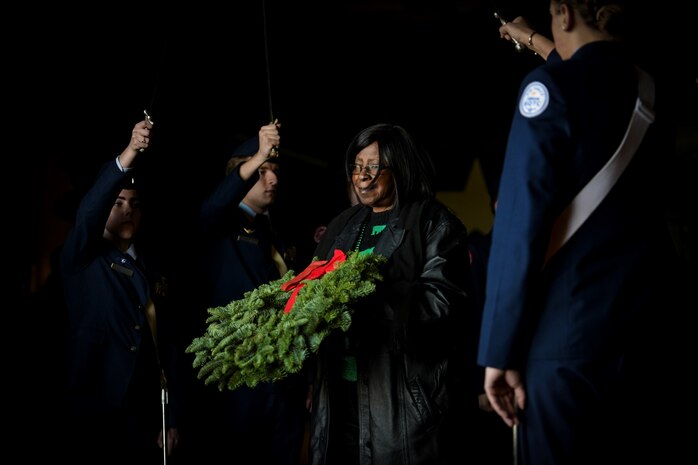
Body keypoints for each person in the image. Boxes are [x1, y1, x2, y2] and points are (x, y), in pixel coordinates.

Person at [477, 2, 688, 464]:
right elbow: (597, 75)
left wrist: (499, 350)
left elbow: (518, 229)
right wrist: (532, 38)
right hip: (655, 339)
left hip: (568, 344)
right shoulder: (650, 92)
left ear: (564, 13)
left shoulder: (548, 88)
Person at [307, 123, 477, 465]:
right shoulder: (343, 225)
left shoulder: (434, 223)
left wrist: (371, 301)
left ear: (399, 168)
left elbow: (444, 303)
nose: (362, 176)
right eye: (357, 166)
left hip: (399, 406)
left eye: (373, 166)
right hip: (339, 397)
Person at [60, 117, 181, 464]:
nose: (128, 210)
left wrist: (170, 418)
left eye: (134, 204)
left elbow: (167, 348)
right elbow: (87, 214)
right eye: (117, 203)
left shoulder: (154, 268)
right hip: (92, 406)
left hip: (142, 411)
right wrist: (129, 152)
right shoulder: (83, 258)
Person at [186, 121, 308, 465]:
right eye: (263, 171)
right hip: (241, 377)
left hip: (284, 378)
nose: (272, 178)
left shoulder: (276, 231)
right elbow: (213, 207)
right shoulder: (219, 222)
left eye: (275, 170)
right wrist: (256, 157)